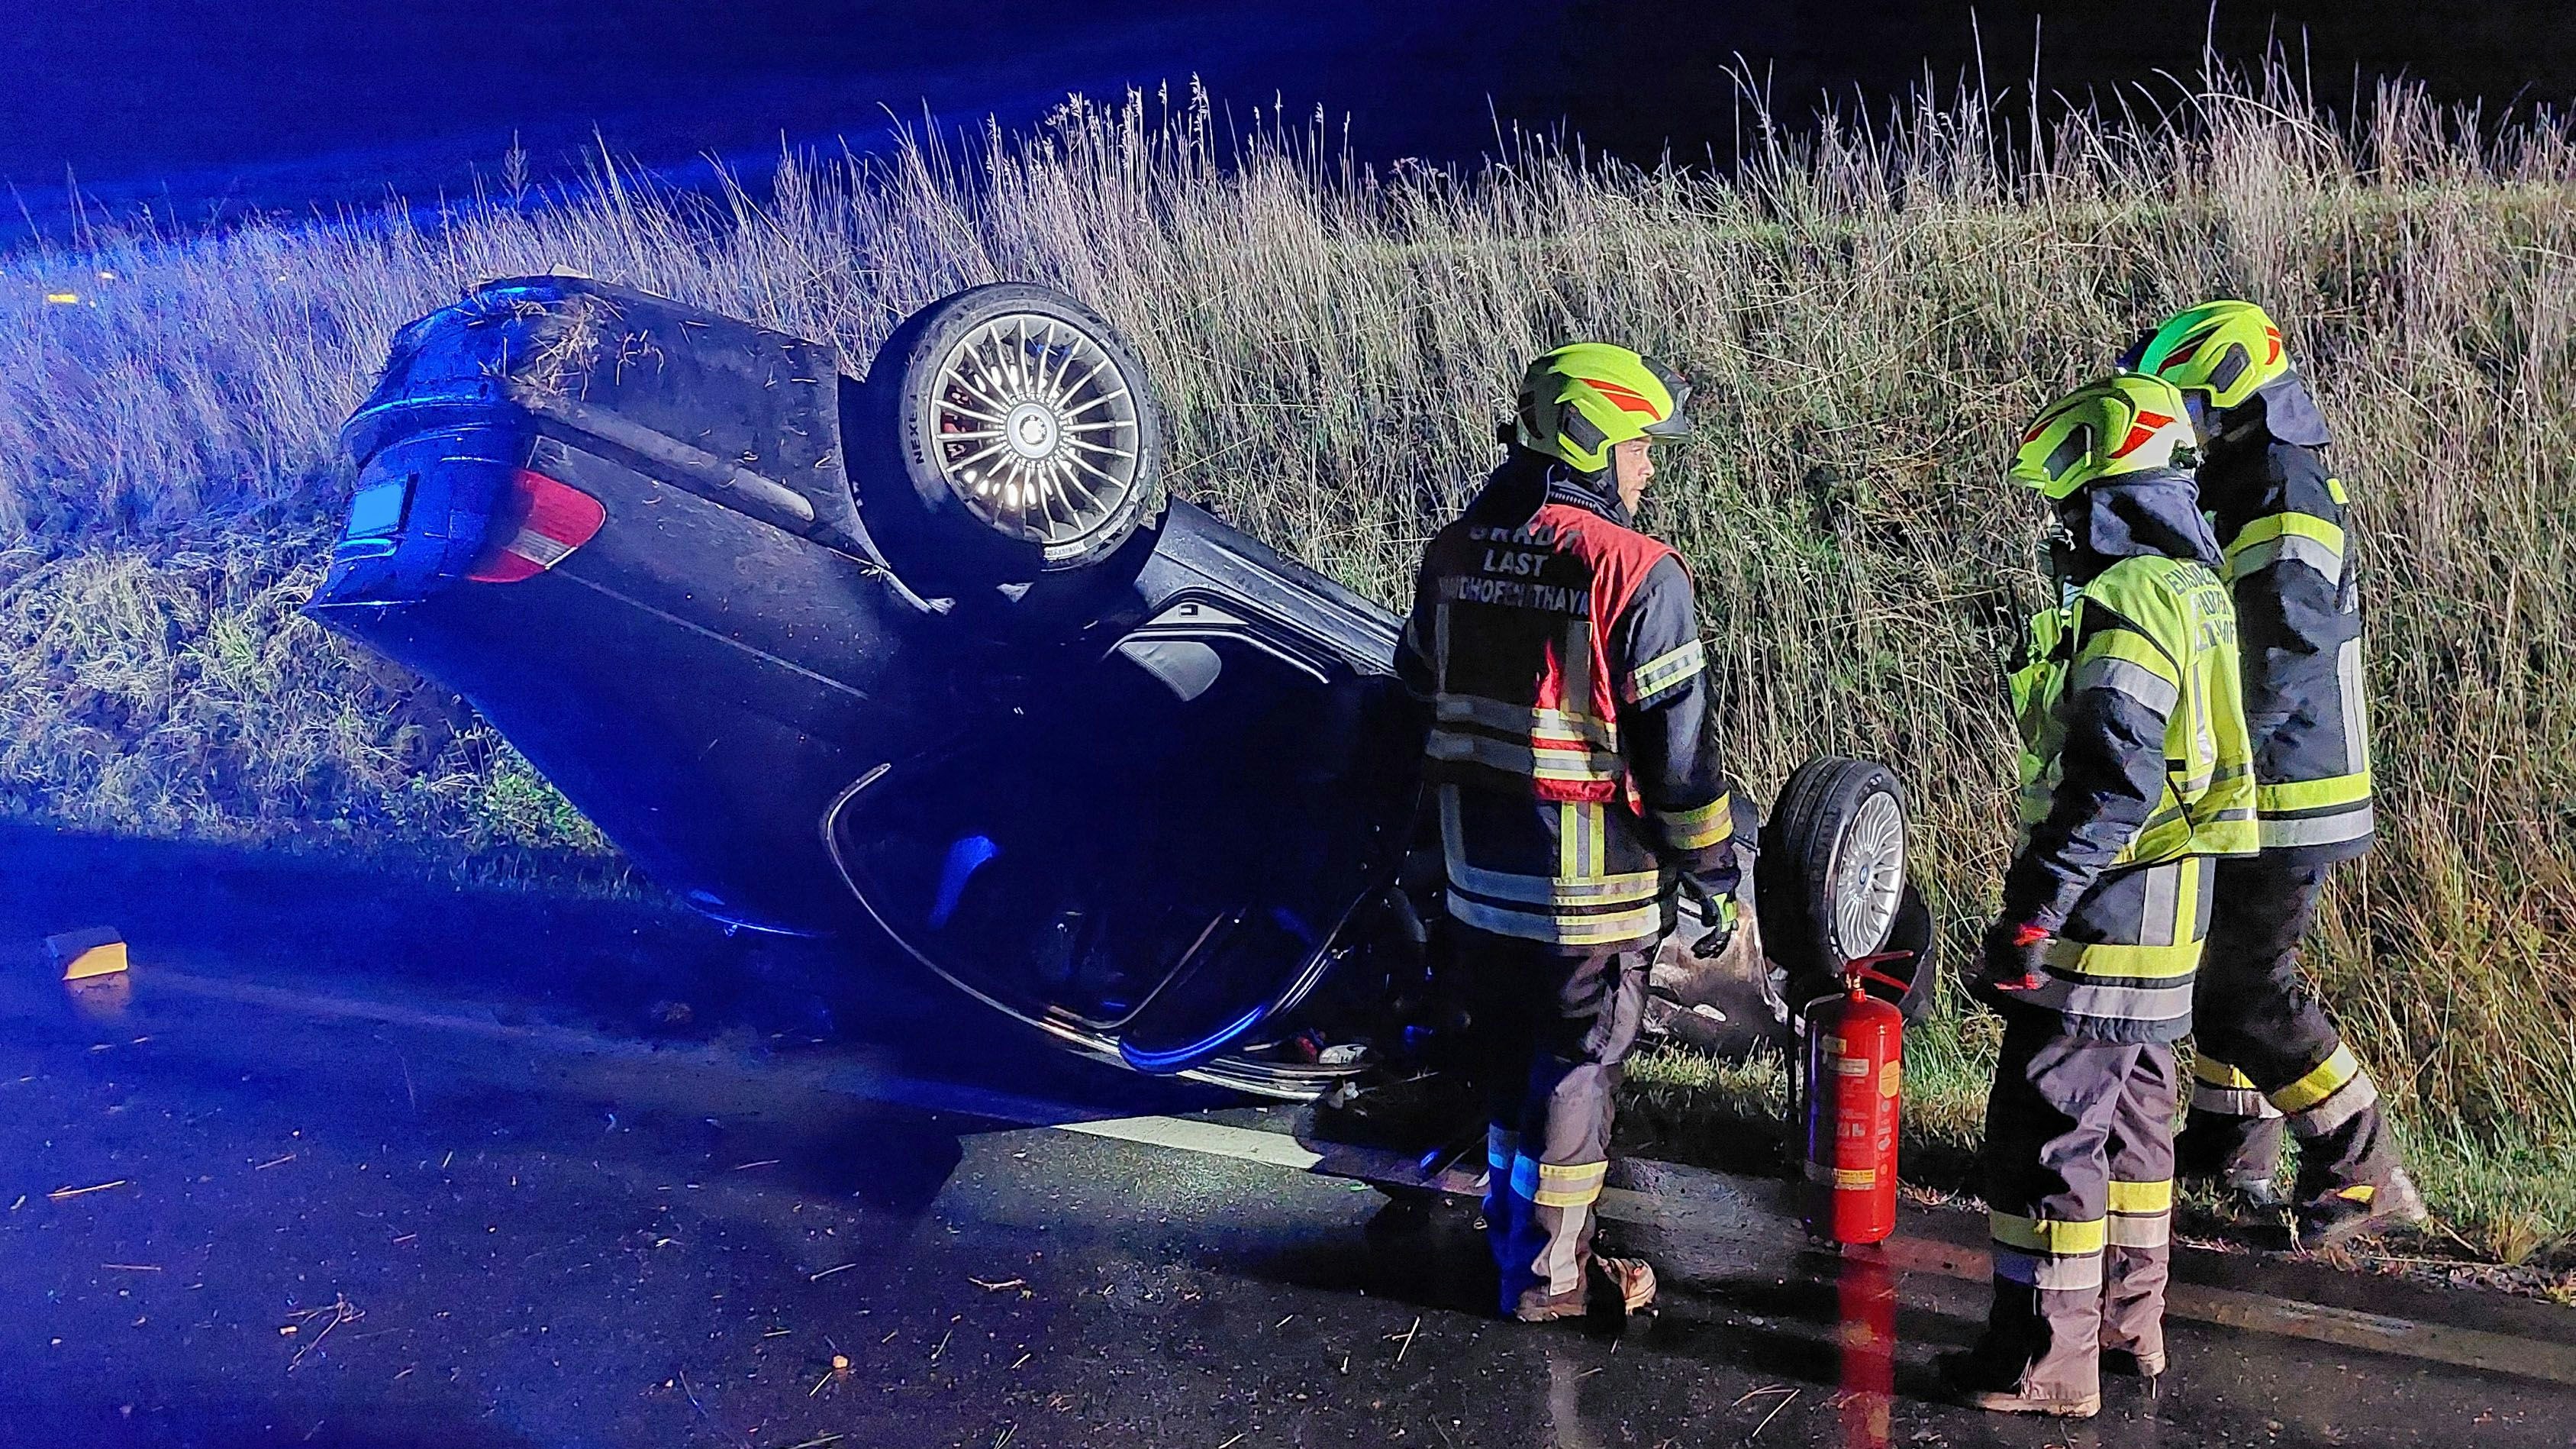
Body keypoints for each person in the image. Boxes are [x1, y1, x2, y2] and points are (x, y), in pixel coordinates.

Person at [1394, 343, 1743, 1322]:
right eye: (1638, 446)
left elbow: (1411, 696)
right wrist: (1712, 870)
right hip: (1590, 898)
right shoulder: (1637, 573)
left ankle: (1512, 1240)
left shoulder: (1453, 554)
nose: (1648, 467)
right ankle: (1550, 1276)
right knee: (1575, 1072)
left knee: (1510, 1066)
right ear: (1592, 442)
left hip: (1478, 885)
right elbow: (1679, 760)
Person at [1942, 373, 2258, 1418]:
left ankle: (2046, 1362)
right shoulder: (2194, 586)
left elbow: (2114, 780)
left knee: (2047, 1131)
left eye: (2071, 508)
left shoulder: (2127, 600)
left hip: (2105, 913)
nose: (2064, 532)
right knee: (2134, 1128)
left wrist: (2035, 906)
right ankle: (2127, 1326)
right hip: (2174, 913)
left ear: (2106, 494)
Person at [2123, 300, 2424, 1247]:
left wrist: (2224, 752)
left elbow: (2287, 643)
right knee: (2224, 961)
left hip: (2288, 784)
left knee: (2248, 986)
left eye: (2186, 402)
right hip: (2277, 781)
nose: (2181, 423)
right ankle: (2228, 1142)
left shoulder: (2281, 483)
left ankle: (2363, 1167)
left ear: (2224, 389)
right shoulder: (2254, 473)